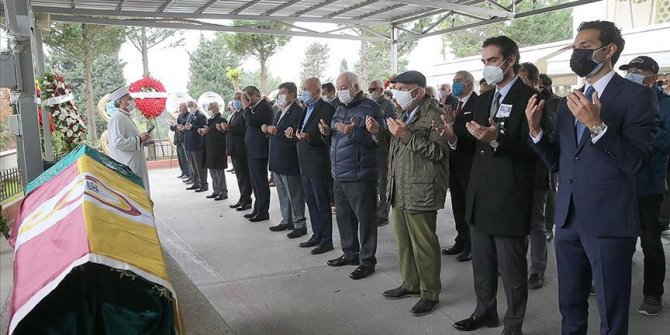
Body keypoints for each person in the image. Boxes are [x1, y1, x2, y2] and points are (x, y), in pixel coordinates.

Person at [526, 21, 658, 334]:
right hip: (568, 219)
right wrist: (535, 132)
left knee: (612, 310)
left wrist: (598, 126)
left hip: (609, 221)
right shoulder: (571, 99)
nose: (577, 52)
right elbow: (560, 160)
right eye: (576, 46)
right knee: (570, 304)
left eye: (585, 46)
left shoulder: (637, 97)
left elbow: (636, 162)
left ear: (608, 50)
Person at [452, 36, 537, 335]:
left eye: (491, 60)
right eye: (484, 61)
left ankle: (514, 325)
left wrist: (498, 139)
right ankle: (485, 311)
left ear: (510, 60)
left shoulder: (531, 98)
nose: (487, 67)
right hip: (480, 194)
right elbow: (473, 143)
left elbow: (534, 150)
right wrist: (451, 135)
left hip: (509, 195)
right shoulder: (484, 99)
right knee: (482, 264)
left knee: (512, 269)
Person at [367, 70, 449, 316]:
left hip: (421, 188)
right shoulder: (404, 112)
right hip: (399, 187)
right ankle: (411, 284)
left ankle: (430, 292)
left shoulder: (435, 114)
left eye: (402, 88)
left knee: (424, 243)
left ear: (418, 91)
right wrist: (377, 133)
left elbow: (440, 153)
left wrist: (406, 135)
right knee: (403, 242)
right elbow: (393, 146)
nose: (397, 93)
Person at [321, 72, 383, 280]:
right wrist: (325, 133)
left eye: (344, 87)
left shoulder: (371, 108)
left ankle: (367, 261)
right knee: (343, 216)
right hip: (339, 172)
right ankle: (350, 253)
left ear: (356, 87)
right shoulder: (339, 108)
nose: (340, 91)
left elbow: (378, 140)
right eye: (338, 87)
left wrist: (353, 132)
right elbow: (334, 138)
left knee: (365, 219)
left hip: (360, 173)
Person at [619, 55, 669, 316]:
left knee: (650, 242)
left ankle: (653, 293)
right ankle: (613, 281)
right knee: (618, 236)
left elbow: (660, 141)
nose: (632, 75)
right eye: (630, 70)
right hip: (620, 183)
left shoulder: (666, 104)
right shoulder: (622, 99)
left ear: (652, 76)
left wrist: (633, 140)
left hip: (648, 184)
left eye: (638, 71)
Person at [518, 62, 559, 290]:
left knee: (536, 224)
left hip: (537, 172)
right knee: (516, 222)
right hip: (515, 172)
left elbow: (552, 140)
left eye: (522, 79)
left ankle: (537, 270)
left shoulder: (551, 104)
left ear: (536, 81)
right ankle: (514, 264)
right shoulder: (514, 102)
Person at [289, 77, 336, 254]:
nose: (304, 91)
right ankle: (317, 234)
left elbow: (328, 136)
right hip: (305, 163)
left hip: (318, 163)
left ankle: (326, 240)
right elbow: (302, 130)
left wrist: (311, 137)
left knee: (322, 202)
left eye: (307, 89)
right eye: (303, 88)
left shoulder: (327, 108)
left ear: (317, 90)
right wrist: (295, 134)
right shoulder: (306, 108)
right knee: (311, 202)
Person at [439, 70, 479, 263]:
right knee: (457, 203)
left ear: (469, 85)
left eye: (459, 81)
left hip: (471, 162)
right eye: (453, 80)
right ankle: (461, 239)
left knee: (471, 207)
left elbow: (475, 134)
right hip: (454, 161)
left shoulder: (478, 103)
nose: (455, 84)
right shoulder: (453, 103)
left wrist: (455, 125)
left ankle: (472, 244)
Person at [264, 82, 307, 238]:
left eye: (283, 93)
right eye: (280, 92)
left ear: (292, 95)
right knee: (282, 193)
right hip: (277, 158)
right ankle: (287, 220)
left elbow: (297, 134)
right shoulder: (280, 111)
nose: (280, 95)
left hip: (289, 159)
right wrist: (268, 129)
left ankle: (300, 223)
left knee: (294, 193)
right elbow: (276, 129)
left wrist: (278, 131)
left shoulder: (298, 111)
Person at [107, 86, 152, 196]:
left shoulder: (124, 116)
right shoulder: (117, 117)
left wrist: (142, 141)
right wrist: (139, 139)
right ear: (121, 101)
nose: (131, 101)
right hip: (128, 164)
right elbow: (118, 142)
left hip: (135, 162)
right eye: (128, 98)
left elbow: (128, 139)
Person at [368, 79, 398, 226]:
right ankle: (374, 211)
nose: (371, 92)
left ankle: (383, 214)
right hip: (369, 149)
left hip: (381, 148)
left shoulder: (388, 105)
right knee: (373, 183)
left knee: (382, 183)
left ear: (381, 90)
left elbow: (390, 128)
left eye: (373, 89)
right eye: (369, 89)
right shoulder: (368, 104)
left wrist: (377, 129)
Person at [242, 86, 274, 222]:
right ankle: (257, 208)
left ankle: (263, 211)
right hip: (252, 150)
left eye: (247, 97)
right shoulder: (255, 108)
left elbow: (252, 122)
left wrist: (245, 107)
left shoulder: (264, 107)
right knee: (255, 182)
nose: (245, 101)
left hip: (259, 150)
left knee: (261, 182)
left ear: (255, 95)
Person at [226, 92, 253, 211]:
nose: (236, 101)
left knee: (244, 176)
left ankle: (247, 200)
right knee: (239, 176)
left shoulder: (245, 113)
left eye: (238, 99)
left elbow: (244, 130)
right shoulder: (235, 113)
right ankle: (242, 198)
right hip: (234, 150)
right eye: (234, 99)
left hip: (241, 149)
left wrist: (229, 128)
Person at [201, 102, 228, 201]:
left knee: (219, 171)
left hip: (218, 149)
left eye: (210, 108)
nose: (209, 110)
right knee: (212, 170)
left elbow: (222, 135)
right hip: (209, 148)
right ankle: (216, 190)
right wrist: (203, 131)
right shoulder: (210, 119)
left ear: (215, 108)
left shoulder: (221, 119)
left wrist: (209, 131)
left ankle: (223, 191)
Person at [183, 99, 208, 193]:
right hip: (189, 144)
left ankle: (204, 184)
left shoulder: (201, 115)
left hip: (197, 144)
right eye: (188, 105)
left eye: (191, 105)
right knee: (193, 165)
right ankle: (196, 182)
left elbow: (203, 129)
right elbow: (188, 127)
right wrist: (184, 128)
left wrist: (192, 127)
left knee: (199, 166)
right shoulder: (190, 115)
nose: (189, 107)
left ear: (195, 105)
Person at [170, 102, 190, 180]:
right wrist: (173, 125)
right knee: (180, 157)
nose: (179, 109)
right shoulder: (180, 115)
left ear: (185, 107)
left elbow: (184, 126)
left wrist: (177, 126)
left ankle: (188, 173)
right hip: (178, 139)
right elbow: (176, 127)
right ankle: (183, 172)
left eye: (180, 107)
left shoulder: (188, 115)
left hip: (184, 139)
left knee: (186, 158)